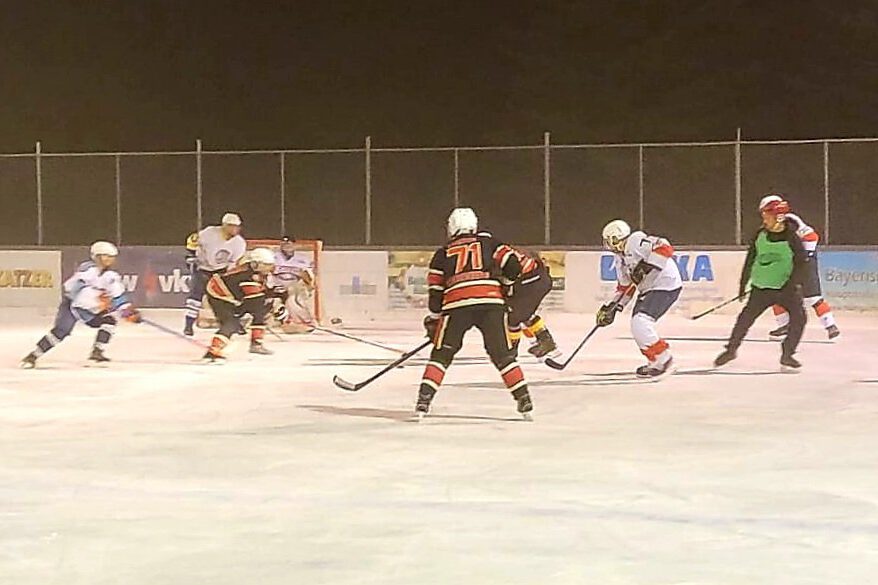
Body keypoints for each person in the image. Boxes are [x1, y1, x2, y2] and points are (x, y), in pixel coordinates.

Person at [417, 208, 534, 420]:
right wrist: (505, 284)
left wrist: (434, 321)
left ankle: (423, 401)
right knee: (503, 355)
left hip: (456, 305)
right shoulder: (490, 243)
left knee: (441, 355)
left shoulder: (442, 253)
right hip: (491, 303)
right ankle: (524, 399)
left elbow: (436, 295)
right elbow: (513, 266)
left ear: (451, 227)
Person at [715, 196, 807, 370]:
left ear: (778, 216)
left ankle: (787, 355)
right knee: (745, 319)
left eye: (766, 215)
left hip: (785, 289)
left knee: (799, 319)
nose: (764, 218)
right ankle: (731, 350)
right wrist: (743, 284)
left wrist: (792, 283)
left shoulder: (792, 237)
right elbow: (750, 258)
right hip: (761, 288)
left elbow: (801, 263)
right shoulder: (760, 234)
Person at [20, 241, 141, 368]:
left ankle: (97, 352)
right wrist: (97, 298)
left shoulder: (111, 277)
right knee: (61, 332)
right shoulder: (87, 269)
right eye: (106, 256)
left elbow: (118, 297)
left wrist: (129, 312)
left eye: (111, 257)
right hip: (71, 306)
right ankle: (33, 356)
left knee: (109, 321)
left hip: (88, 310)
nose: (109, 259)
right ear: (96, 256)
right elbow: (71, 289)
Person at [596, 220, 682, 378]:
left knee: (641, 322)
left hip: (665, 284)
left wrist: (647, 266)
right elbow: (625, 287)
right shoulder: (620, 259)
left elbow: (665, 247)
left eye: (610, 240)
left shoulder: (636, 241)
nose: (608, 245)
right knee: (637, 326)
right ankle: (655, 361)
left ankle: (665, 360)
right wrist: (613, 307)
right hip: (649, 289)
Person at [761, 195, 840, 340]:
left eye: (766, 211)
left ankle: (830, 326)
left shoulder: (789, 220)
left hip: (805, 262)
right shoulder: (771, 227)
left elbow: (812, 237)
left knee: (813, 297)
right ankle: (785, 326)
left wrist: (804, 256)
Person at [201, 247, 284, 363]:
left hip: (233, 295)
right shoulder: (247, 277)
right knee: (231, 323)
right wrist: (274, 307)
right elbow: (255, 301)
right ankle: (213, 352)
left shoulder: (255, 272)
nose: (270, 267)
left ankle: (256, 343)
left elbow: (259, 296)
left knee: (261, 309)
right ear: (256, 263)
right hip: (219, 296)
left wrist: (271, 302)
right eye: (266, 264)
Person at [183, 213, 246, 336]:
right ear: (224, 225)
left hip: (221, 271)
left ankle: (232, 323)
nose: (235, 229)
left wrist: (228, 275)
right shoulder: (209, 233)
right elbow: (192, 240)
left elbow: (234, 262)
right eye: (232, 226)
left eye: (237, 226)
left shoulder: (239, 243)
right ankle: (188, 325)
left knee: (227, 298)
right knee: (196, 296)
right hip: (202, 268)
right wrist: (191, 255)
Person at [501, 243, 557, 358]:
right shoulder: (502, 249)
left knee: (514, 316)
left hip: (531, 282)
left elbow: (506, 279)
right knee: (523, 313)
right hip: (539, 279)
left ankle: (511, 350)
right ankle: (545, 340)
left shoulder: (492, 256)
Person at [270, 236, 317, 333]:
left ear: (295, 245)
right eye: (284, 243)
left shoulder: (303, 259)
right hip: (276, 286)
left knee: (293, 297)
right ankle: (287, 322)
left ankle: (304, 322)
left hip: (295, 287)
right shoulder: (272, 257)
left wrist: (308, 286)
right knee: (274, 305)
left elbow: (310, 278)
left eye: (289, 243)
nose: (287, 246)